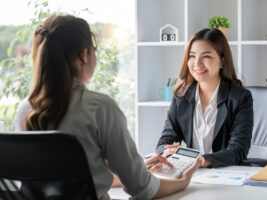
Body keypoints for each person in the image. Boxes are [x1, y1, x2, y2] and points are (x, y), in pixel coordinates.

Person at [14, 14, 200, 200]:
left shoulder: (25, 109)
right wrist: (182, 181)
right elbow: (141, 188)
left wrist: (138, 167)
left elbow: (67, 179)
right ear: (84, 55)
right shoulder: (99, 107)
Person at [156, 28, 253, 168]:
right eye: (192, 56)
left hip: (225, 173)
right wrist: (168, 150)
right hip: (191, 173)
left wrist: (202, 161)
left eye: (206, 56)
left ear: (222, 61)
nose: (197, 63)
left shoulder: (240, 98)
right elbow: (164, 141)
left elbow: (238, 150)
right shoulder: (181, 96)